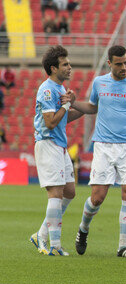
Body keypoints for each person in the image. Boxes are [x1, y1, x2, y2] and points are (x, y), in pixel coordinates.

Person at [69, 45, 126, 258]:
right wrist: (75, 104)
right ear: (109, 63)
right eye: (119, 64)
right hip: (103, 145)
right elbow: (93, 107)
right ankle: (83, 229)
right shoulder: (99, 82)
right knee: (98, 197)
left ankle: (123, 246)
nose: (124, 67)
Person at [29, 45, 83, 256]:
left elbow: (63, 119)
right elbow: (51, 122)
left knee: (70, 191)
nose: (70, 67)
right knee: (56, 193)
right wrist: (68, 106)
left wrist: (75, 105)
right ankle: (54, 245)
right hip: (48, 143)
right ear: (53, 68)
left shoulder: (61, 90)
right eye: (65, 64)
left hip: (60, 145)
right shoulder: (48, 89)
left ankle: (40, 234)